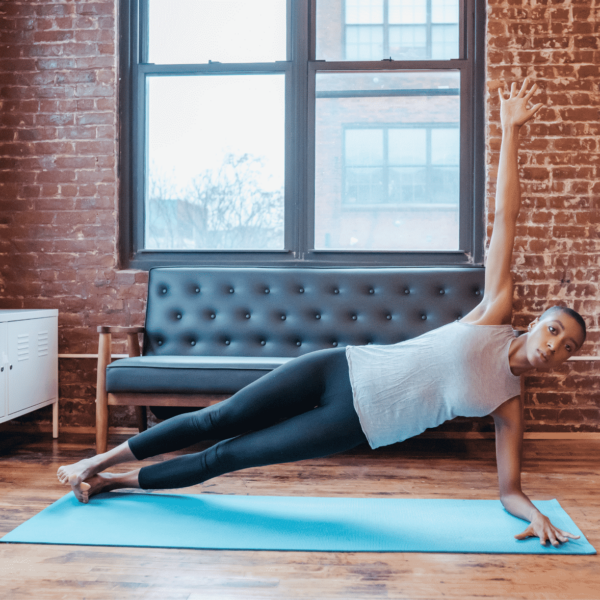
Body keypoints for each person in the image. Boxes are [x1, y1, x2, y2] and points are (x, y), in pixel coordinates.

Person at [58, 79, 584, 547]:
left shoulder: (509, 404)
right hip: (341, 367)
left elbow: (509, 491)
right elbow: (504, 219)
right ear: (537, 320)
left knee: (229, 456)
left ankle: (115, 483)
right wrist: (512, 131)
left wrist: (534, 515)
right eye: (555, 329)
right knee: (217, 418)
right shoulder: (492, 313)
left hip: (352, 423)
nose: (554, 346)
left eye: (567, 349)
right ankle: (96, 461)